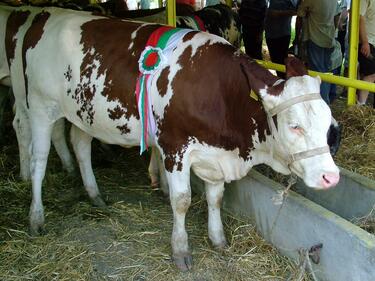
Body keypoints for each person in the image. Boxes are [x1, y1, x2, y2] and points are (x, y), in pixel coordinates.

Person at [297, 0, 340, 104]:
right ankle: (327, 97)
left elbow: (300, 13)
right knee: (327, 70)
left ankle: (323, 101)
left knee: (318, 72)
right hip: (329, 39)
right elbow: (337, 17)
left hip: (315, 39)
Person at [264, 0, 297, 78]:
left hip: (283, 33)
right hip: (270, 33)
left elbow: (297, 10)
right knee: (276, 61)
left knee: (281, 62)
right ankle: (282, 81)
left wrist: (278, 13)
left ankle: (284, 82)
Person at [357, 0, 375, 105]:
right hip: (368, 42)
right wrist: (364, 42)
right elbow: (360, 18)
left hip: (372, 42)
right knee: (371, 74)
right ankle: (360, 106)